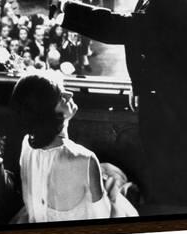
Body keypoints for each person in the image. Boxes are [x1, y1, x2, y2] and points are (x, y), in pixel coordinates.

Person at [0, 0, 187, 209]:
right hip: (162, 110)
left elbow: (119, 29)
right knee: (160, 182)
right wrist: (141, 86)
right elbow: (149, 45)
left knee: (170, 193)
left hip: (174, 122)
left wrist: (48, 5)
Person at [10, 72, 138, 222]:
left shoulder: (27, 144)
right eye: (60, 97)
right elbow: (103, 216)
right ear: (49, 114)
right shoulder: (85, 158)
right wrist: (111, 191)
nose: (69, 94)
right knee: (119, 184)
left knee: (108, 171)